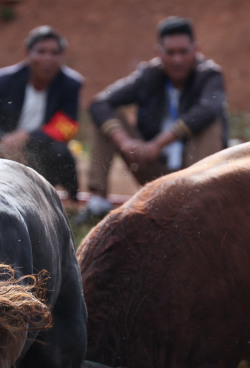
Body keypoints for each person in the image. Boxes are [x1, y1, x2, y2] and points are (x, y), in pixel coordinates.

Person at [82, 16, 228, 221]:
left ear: (196, 50)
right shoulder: (148, 75)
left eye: (183, 52)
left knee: (210, 123)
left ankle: (202, 205)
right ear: (158, 53)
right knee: (107, 118)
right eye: (170, 53)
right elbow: (99, 103)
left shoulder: (210, 75)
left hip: (193, 172)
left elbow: (208, 109)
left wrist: (159, 143)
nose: (177, 60)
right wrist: (125, 142)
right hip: (153, 169)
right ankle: (97, 203)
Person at [0, 26, 82, 198]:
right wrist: (3, 141)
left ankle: (69, 198)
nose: (48, 58)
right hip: (4, 148)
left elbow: (67, 126)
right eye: (41, 52)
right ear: (27, 53)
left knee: (60, 151)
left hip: (42, 150)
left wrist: (27, 138)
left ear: (61, 56)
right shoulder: (4, 80)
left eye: (54, 53)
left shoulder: (71, 84)